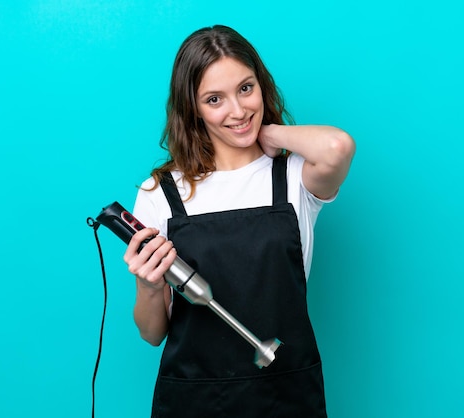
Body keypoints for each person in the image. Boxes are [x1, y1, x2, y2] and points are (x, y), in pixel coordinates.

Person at [123, 25, 355, 417]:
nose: (237, 110)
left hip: (286, 395)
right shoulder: (161, 193)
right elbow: (152, 334)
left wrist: (270, 134)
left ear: (261, 85)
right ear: (192, 108)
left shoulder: (294, 177)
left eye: (245, 89)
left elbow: (338, 147)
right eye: (215, 99)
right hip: (194, 399)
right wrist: (148, 286)